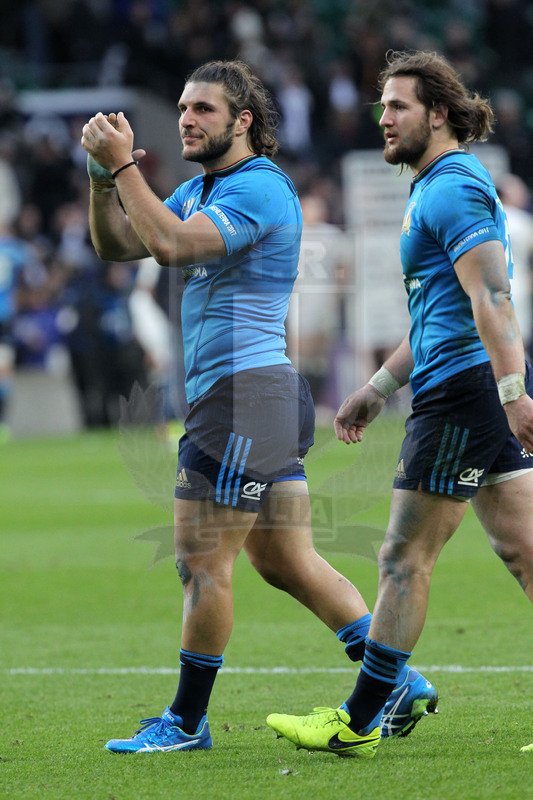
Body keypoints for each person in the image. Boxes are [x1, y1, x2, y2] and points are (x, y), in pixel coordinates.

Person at [81, 59, 435, 755]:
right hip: (252, 397)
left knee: (201, 560)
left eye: (203, 109)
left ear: (243, 121)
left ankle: (185, 722)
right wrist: (102, 180)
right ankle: (395, 678)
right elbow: (120, 244)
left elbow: (171, 244)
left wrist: (124, 168)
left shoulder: (260, 189)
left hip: (243, 398)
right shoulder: (200, 188)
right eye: (182, 107)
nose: (186, 118)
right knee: (285, 561)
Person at [267, 49, 533, 758]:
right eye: (381, 106)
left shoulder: (449, 189)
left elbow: (490, 300)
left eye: (397, 106)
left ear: (437, 113)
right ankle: (365, 715)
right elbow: (438, 316)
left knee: (400, 558)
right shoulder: (433, 188)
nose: (381, 118)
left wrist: (511, 395)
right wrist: (378, 387)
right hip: (465, 384)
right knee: (524, 552)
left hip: (464, 395)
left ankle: (358, 722)